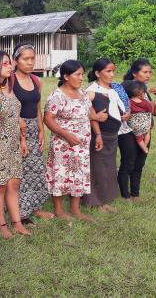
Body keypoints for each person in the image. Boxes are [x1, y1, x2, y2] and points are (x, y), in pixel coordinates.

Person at [44, 60, 102, 221]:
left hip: (82, 144)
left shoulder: (83, 94)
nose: (81, 78)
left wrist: (97, 134)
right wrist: (66, 135)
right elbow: (48, 119)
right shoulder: (57, 96)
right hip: (63, 145)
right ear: (66, 76)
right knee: (61, 174)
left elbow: (90, 114)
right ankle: (59, 210)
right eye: (78, 74)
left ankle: (75, 210)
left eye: (82, 74)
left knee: (78, 175)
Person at [0, 50, 31, 238]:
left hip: (13, 144)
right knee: (0, 186)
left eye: (9, 63)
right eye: (5, 63)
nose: (10, 67)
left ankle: (17, 222)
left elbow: (16, 116)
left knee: (14, 184)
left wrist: (22, 139)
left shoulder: (8, 88)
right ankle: (2, 225)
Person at [9, 42, 55, 224]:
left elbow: (37, 107)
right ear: (15, 61)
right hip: (16, 130)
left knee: (35, 169)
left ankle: (34, 207)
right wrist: (21, 134)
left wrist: (41, 130)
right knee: (19, 171)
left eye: (32, 59)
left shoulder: (36, 80)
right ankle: (20, 211)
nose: (29, 62)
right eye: (25, 59)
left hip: (34, 129)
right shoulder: (9, 81)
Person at [83, 58, 128, 212]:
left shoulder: (112, 91)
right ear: (97, 73)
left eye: (113, 71)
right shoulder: (91, 92)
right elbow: (86, 112)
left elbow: (115, 110)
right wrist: (96, 124)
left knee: (108, 167)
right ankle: (96, 201)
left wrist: (123, 116)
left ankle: (106, 198)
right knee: (98, 168)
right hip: (99, 136)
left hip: (112, 135)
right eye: (108, 71)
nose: (112, 74)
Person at [118, 58, 156, 202]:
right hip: (127, 133)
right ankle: (125, 195)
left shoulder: (145, 89)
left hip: (145, 132)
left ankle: (135, 194)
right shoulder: (125, 88)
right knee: (128, 163)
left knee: (139, 164)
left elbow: (155, 113)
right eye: (145, 72)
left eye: (150, 72)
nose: (148, 75)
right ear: (134, 73)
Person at [124, 81, 153, 154]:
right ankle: (145, 146)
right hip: (145, 124)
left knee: (139, 137)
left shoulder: (129, 101)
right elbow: (150, 109)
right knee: (147, 132)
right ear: (142, 94)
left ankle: (143, 148)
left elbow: (127, 110)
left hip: (134, 126)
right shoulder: (145, 102)